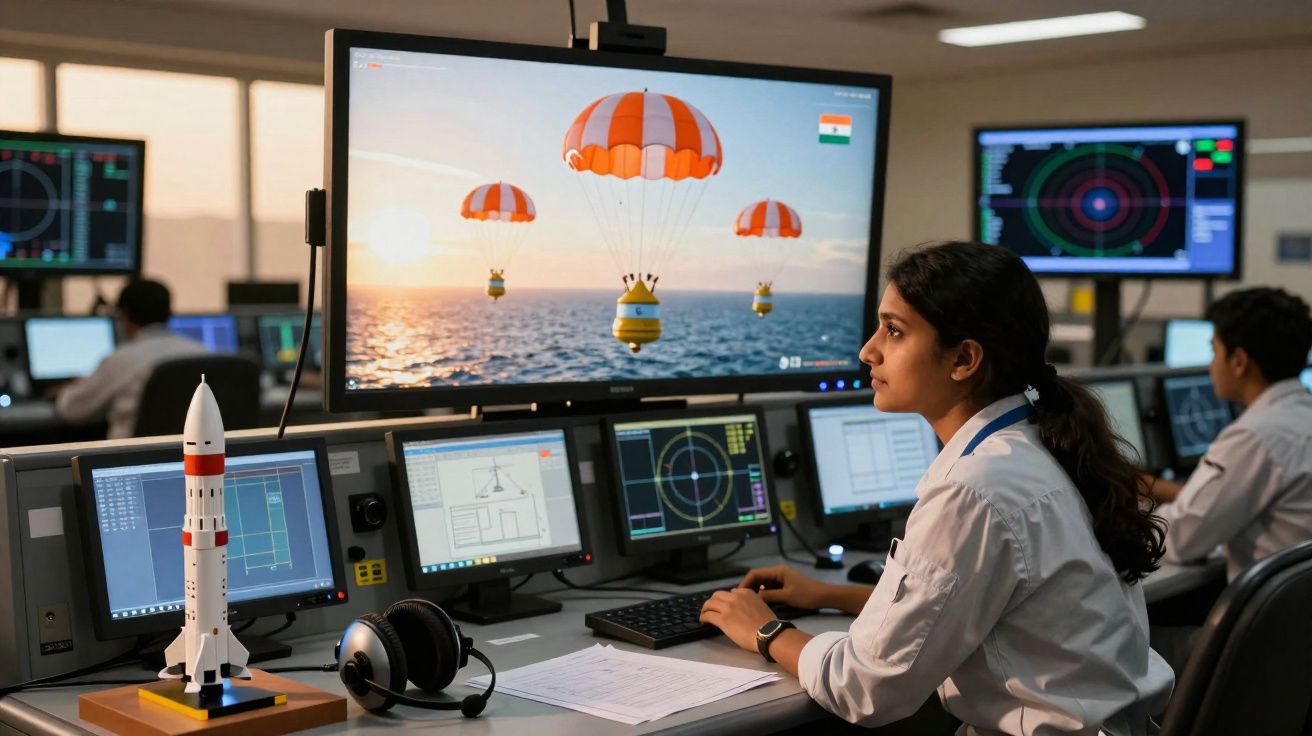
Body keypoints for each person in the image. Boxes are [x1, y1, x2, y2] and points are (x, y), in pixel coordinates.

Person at [700, 242, 1173, 734]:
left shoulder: (975, 489)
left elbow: (864, 687)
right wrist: (829, 594)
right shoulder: (1038, 448)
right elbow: (965, 611)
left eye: (894, 331)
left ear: (964, 359)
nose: (869, 350)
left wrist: (766, 629)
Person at [1148, 287, 1312, 580]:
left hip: (1273, 624)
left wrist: (1116, 516)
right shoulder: (1300, 416)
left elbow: (1181, 539)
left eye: (1214, 351)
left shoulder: (1254, 437)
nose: (1210, 365)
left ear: (1239, 361)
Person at [55, 279, 207, 438]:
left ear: (123, 314)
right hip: (191, 456)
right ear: (170, 313)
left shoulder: (121, 360)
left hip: (132, 458)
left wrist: (64, 392)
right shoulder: (202, 353)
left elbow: (73, 410)